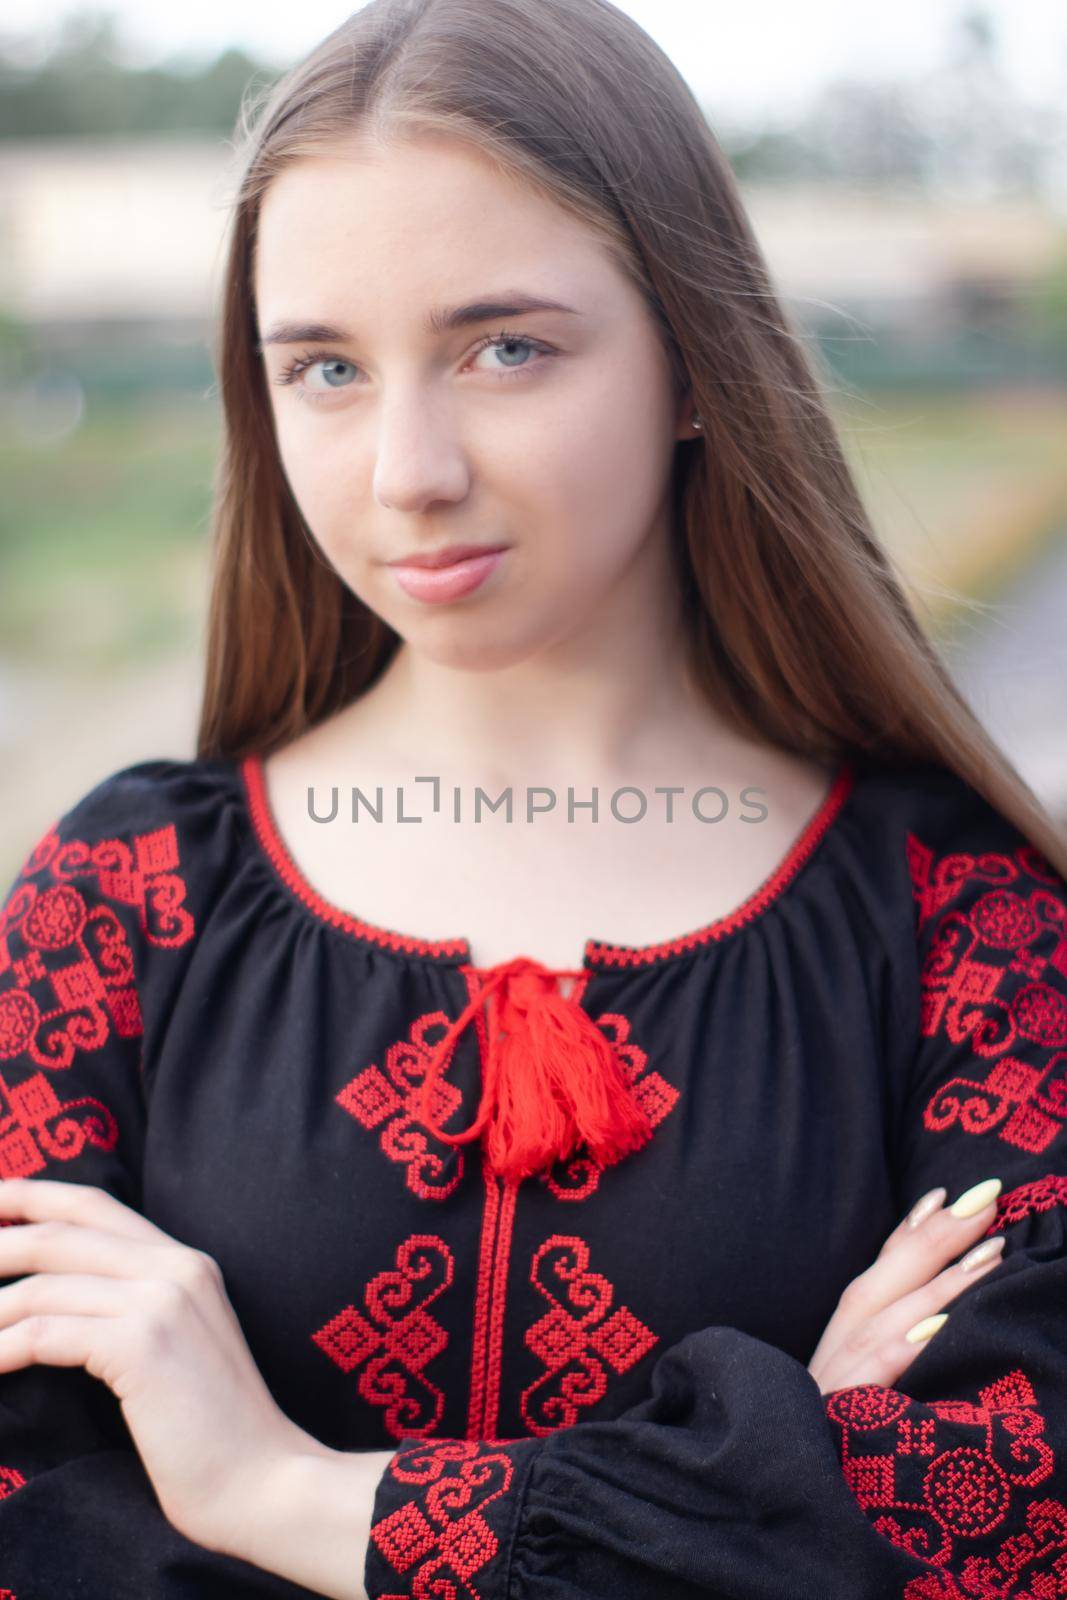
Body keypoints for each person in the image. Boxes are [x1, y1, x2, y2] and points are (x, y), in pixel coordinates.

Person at [2, 0, 1066, 1595]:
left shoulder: (967, 915)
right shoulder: (124, 895)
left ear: (698, 365)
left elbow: (1013, 1513)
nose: (406, 468)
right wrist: (766, 1477)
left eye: (507, 347)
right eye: (328, 367)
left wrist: (273, 1493)